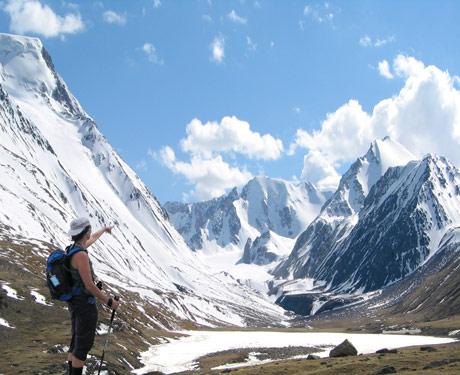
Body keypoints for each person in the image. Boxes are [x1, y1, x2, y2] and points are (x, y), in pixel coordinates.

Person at [66, 217, 120, 375]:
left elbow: (93, 239)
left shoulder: (73, 248)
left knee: (76, 341)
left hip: (75, 303)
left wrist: (103, 230)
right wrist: (109, 302)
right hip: (84, 305)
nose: (91, 231)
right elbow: (89, 285)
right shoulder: (81, 255)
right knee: (82, 346)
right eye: (89, 229)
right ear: (84, 232)